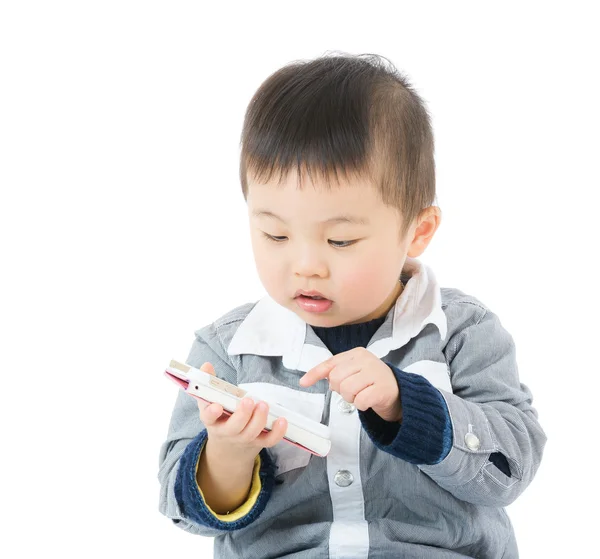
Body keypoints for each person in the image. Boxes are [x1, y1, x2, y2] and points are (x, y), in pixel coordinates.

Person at [157, 52, 547, 558]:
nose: (305, 265)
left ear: (417, 231)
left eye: (340, 241)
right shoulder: (228, 348)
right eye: (275, 233)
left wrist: (406, 406)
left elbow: (509, 470)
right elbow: (180, 508)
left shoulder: (463, 332)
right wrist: (230, 454)